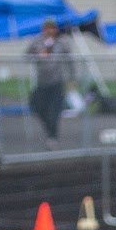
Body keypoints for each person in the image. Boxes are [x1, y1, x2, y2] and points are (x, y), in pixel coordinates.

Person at [25, 19, 74, 147]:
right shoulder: (37, 42)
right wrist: (38, 54)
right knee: (37, 106)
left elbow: (70, 61)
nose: (50, 31)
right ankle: (49, 129)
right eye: (48, 28)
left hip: (56, 82)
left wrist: (72, 78)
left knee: (54, 110)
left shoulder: (62, 43)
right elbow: (26, 56)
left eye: (53, 28)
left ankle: (53, 136)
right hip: (42, 82)